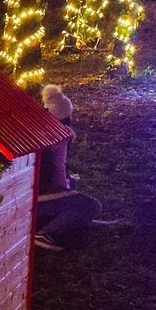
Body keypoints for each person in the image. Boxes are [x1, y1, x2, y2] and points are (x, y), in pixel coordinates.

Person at [34, 84, 101, 251]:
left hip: (28, 192)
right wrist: (67, 191)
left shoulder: (34, 130)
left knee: (73, 186)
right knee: (90, 205)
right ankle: (46, 234)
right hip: (37, 198)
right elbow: (58, 171)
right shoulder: (59, 138)